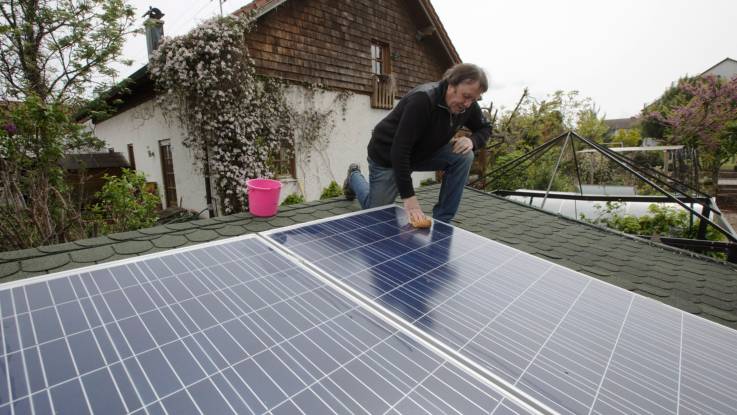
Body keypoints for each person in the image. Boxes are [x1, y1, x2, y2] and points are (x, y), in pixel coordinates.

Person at [343, 63, 491, 223]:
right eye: (466, 96)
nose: (468, 104)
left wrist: (472, 140)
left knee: (464, 156)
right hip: (388, 155)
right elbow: (399, 151)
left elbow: (485, 128)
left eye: (474, 99)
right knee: (377, 215)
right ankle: (354, 177)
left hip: (423, 153)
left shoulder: (467, 106)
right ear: (451, 84)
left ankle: (443, 221)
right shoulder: (423, 100)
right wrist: (409, 198)